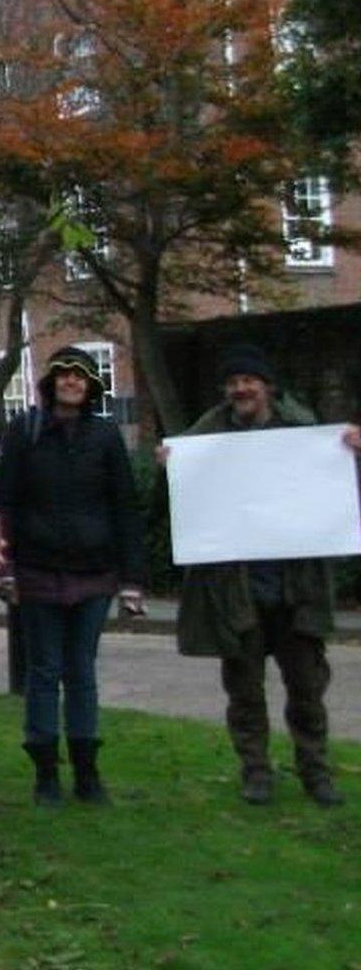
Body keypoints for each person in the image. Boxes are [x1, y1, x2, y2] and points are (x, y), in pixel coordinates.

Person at [171, 344, 351, 808]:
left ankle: (316, 772)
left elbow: (336, 497)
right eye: (232, 383)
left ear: (266, 385)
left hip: (298, 592)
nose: (240, 389)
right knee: (245, 694)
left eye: (248, 381)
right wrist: (171, 466)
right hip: (239, 594)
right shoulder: (205, 438)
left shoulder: (305, 432)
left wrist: (350, 451)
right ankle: (256, 772)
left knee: (308, 692)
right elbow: (185, 498)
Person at [0, 346, 147, 807]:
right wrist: (2, 565)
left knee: (81, 672)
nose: (72, 382)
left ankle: (86, 769)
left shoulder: (105, 437)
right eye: (65, 375)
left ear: (91, 385)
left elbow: (125, 508)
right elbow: (5, 501)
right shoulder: (25, 433)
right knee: (43, 671)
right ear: (52, 381)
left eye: (81, 376)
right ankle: (45, 773)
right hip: (37, 573)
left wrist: (132, 579)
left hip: (94, 575)